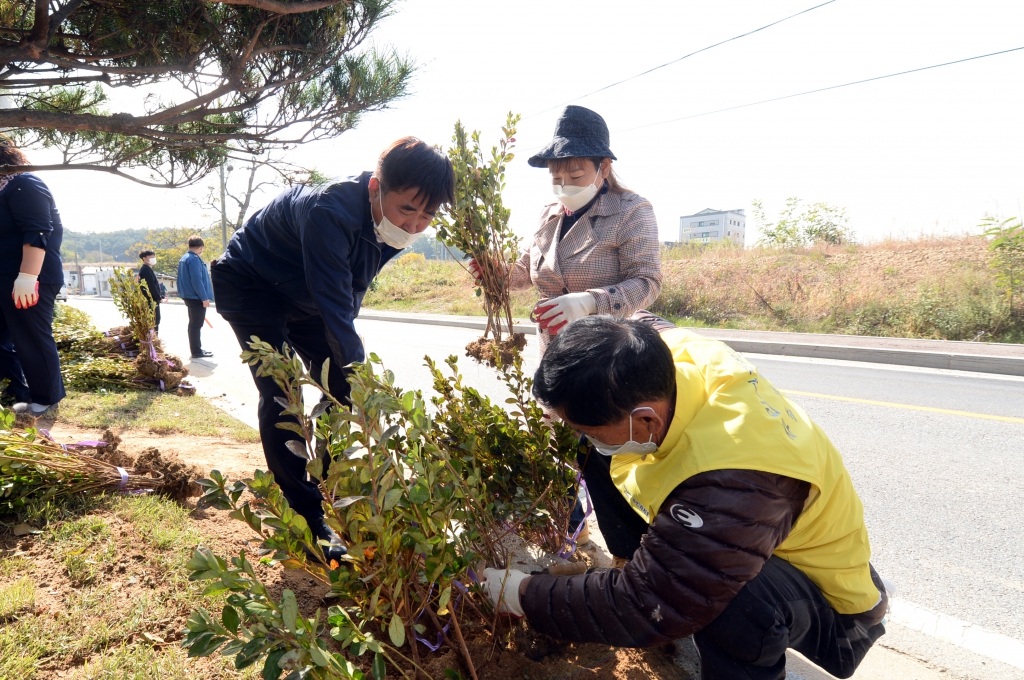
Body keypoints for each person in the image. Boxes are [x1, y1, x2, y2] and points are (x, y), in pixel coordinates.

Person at [481, 314, 893, 680]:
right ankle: (640, 561)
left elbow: (653, 603)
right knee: (601, 453)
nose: (580, 436)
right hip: (757, 533)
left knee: (728, 602)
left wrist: (521, 594)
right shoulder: (665, 356)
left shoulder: (737, 479)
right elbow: (644, 320)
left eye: (587, 427)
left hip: (833, 607)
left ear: (645, 419)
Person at [212, 137, 454, 561]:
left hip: (305, 296)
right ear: (376, 187)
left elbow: (351, 293)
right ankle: (307, 518)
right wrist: (365, 385)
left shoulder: (391, 227)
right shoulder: (331, 212)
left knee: (339, 389)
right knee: (284, 393)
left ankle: (333, 482)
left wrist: (352, 384)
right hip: (252, 285)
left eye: (428, 214)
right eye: (408, 209)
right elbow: (336, 310)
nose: (416, 225)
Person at [472, 105, 662, 355]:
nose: (564, 186)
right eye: (556, 178)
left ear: (603, 168)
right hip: (553, 353)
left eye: (575, 176)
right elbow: (526, 271)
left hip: (607, 355)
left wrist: (590, 302)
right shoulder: (548, 215)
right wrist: (498, 274)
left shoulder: (630, 211)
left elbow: (647, 281)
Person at [0, 137, 66, 416]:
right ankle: (17, 389)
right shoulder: (4, 189)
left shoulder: (24, 184)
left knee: (32, 337)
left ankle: (47, 398)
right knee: (2, 339)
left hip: (31, 277)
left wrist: (27, 276)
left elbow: (38, 232)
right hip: (6, 277)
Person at [177, 235, 214, 358]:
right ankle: (197, 351)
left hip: (189, 296)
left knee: (193, 324)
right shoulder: (193, 259)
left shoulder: (184, 258)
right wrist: (204, 298)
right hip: (196, 297)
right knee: (196, 325)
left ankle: (197, 350)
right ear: (201, 247)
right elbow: (196, 280)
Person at [137, 250, 164, 334]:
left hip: (152, 299)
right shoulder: (145, 270)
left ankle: (153, 340)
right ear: (144, 258)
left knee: (155, 321)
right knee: (154, 321)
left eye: (154, 257)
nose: (153, 259)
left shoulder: (148, 269)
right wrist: (158, 297)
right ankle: (153, 341)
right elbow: (151, 285)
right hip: (151, 300)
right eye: (151, 257)